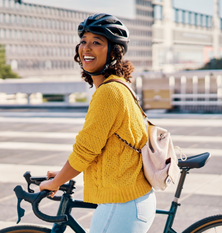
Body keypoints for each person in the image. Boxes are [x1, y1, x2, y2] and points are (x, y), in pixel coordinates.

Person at [39, 13, 156, 233]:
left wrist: (56, 183)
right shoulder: (118, 86)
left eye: (96, 42)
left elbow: (86, 149)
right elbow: (107, 151)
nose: (87, 48)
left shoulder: (109, 92)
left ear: (113, 52)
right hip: (129, 200)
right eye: (83, 41)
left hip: (122, 205)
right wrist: (63, 173)